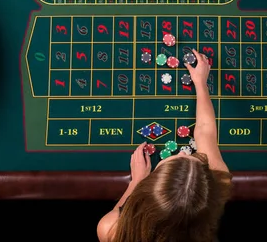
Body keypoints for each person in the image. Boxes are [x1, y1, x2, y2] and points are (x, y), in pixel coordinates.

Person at [96, 49, 233, 242]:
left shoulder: (111, 230)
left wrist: (136, 182)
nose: (183, 153)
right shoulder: (219, 183)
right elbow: (204, 131)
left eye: (176, 158)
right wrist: (201, 84)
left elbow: (127, 211)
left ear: (146, 191)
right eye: (189, 156)